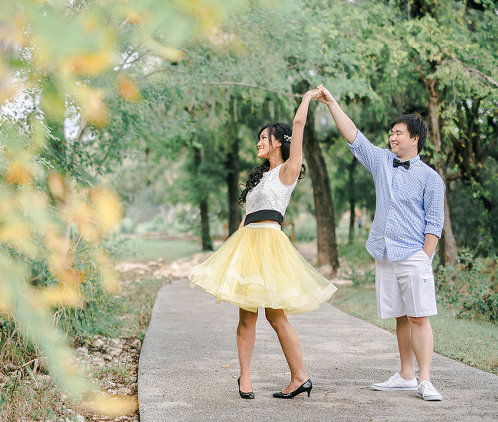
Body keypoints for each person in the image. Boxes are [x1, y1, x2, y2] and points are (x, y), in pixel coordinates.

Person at [188, 89, 337, 400]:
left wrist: (307, 99)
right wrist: (232, 249)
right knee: (247, 316)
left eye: (263, 138)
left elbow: (298, 126)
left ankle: (300, 377)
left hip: (270, 247)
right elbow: (247, 217)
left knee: (275, 315)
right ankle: (245, 378)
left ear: (278, 142)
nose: (258, 143)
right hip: (247, 245)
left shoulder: (288, 170)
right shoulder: (258, 178)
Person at [316, 85, 445, 401]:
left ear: (415, 139)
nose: (392, 137)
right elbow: (355, 137)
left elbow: (434, 224)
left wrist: (424, 257)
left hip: (414, 255)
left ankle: (425, 380)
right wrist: (331, 102)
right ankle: (406, 375)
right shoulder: (382, 162)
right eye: (391, 133)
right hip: (385, 253)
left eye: (399, 133)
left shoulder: (431, 178)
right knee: (401, 316)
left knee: (419, 316)